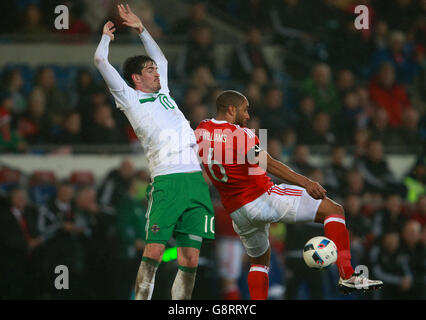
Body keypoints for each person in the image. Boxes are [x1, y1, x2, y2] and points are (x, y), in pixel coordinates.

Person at [195, 90, 382, 299]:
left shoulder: (201, 130)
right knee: (334, 210)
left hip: (237, 212)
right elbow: (269, 164)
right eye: (245, 110)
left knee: (259, 263)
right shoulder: (242, 134)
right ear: (231, 109)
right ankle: (347, 274)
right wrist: (306, 181)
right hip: (263, 197)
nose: (247, 116)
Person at [93, 4, 215, 300]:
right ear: (136, 79)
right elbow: (99, 59)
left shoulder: (164, 93)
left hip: (195, 182)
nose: (156, 72)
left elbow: (160, 58)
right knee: (155, 251)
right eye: (149, 70)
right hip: (168, 181)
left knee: (190, 258)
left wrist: (141, 29)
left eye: (155, 69)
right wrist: (107, 38)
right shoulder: (130, 100)